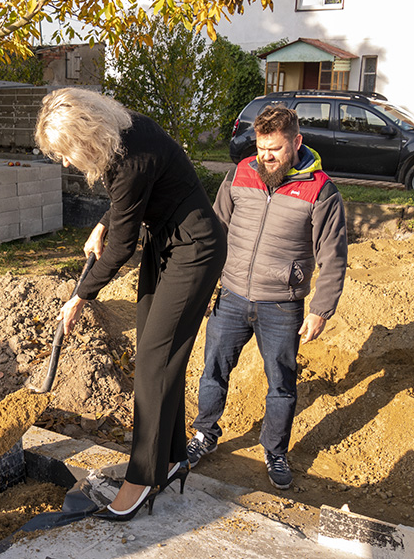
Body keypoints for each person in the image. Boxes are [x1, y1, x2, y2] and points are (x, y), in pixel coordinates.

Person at [35, 88, 226, 521]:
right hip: (168, 244)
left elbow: (122, 247)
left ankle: (140, 481)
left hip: (195, 250)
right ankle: (173, 457)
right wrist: (103, 223)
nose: (66, 162)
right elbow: (132, 201)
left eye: (66, 153)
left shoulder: (129, 159)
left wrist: (80, 296)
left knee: (153, 363)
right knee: (159, 357)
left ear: (85, 136)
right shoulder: (125, 131)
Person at [187, 106, 348, 490]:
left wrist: (321, 310)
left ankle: (275, 450)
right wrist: (205, 285)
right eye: (261, 148)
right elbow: (216, 228)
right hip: (232, 297)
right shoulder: (241, 174)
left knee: (281, 384)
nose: (266, 157)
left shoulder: (321, 190)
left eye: (274, 149)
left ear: (296, 142)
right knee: (213, 371)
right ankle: (205, 433)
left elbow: (333, 255)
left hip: (282, 305)